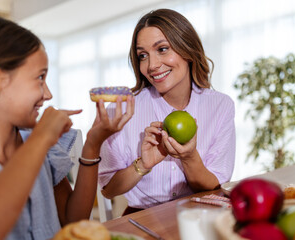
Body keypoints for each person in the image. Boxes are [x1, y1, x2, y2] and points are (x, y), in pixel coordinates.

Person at [0, 13, 134, 240]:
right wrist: (41, 139)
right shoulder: (39, 140)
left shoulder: (37, 142)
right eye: (40, 78)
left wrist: (93, 143)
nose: (48, 94)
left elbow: (71, 220)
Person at [99, 8, 235, 214]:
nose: (152, 65)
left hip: (199, 215)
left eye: (162, 49)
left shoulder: (220, 106)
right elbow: (109, 190)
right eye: (142, 55)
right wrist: (142, 165)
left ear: (188, 49)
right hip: (142, 219)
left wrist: (189, 157)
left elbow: (214, 186)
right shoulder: (121, 110)